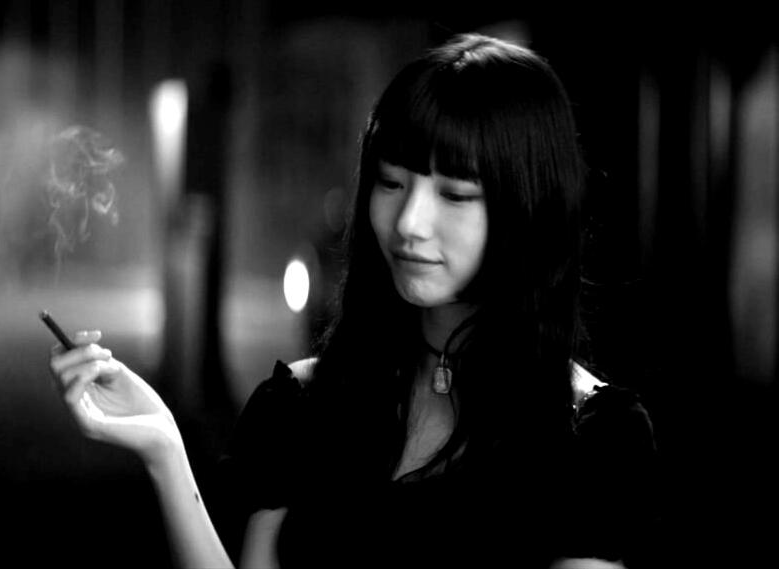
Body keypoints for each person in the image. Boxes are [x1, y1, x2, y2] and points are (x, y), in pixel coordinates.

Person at [48, 33, 659, 568]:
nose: (409, 222)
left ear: (528, 208)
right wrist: (165, 449)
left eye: (454, 194)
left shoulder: (593, 440)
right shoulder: (298, 406)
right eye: (392, 182)